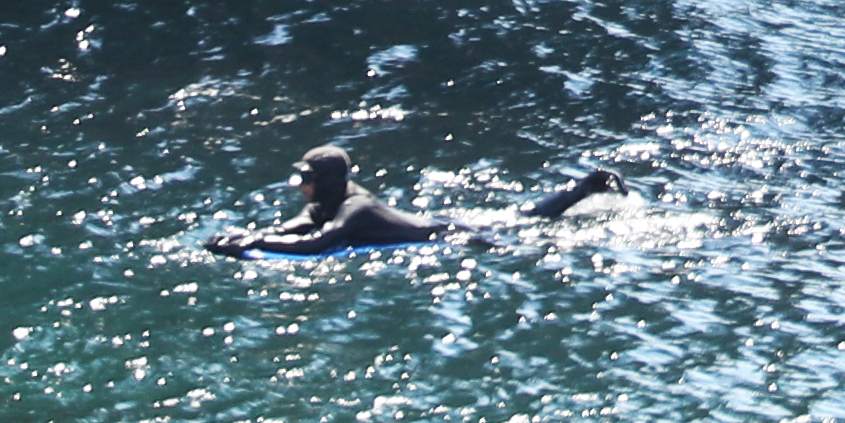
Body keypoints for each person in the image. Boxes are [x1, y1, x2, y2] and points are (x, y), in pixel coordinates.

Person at [199, 144, 632, 255]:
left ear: (327, 181)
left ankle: (584, 188)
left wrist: (254, 246)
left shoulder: (356, 207)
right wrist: (247, 236)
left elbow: (318, 243)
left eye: (306, 180)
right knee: (517, 215)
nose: (300, 188)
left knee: (526, 224)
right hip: (437, 219)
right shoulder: (325, 203)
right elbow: (294, 230)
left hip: (450, 235)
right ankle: (584, 188)